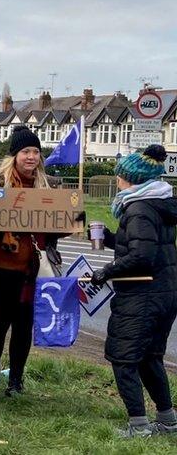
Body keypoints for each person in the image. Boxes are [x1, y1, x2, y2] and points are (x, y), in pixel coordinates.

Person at [90, 144, 177, 438]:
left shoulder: (138, 208)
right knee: (150, 356)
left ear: (132, 178)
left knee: (124, 357)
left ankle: (138, 426)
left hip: (142, 295)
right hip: (163, 292)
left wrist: (106, 272)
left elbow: (141, 257)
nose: (117, 180)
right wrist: (111, 238)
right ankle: (167, 420)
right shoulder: (156, 203)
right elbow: (141, 245)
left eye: (120, 176)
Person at [0, 126, 60, 399]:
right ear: (15, 156)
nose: (31, 157)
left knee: (24, 327)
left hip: (32, 269)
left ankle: (17, 381)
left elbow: (59, 224)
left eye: (35, 152)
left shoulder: (47, 187)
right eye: (26, 152)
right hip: (0, 267)